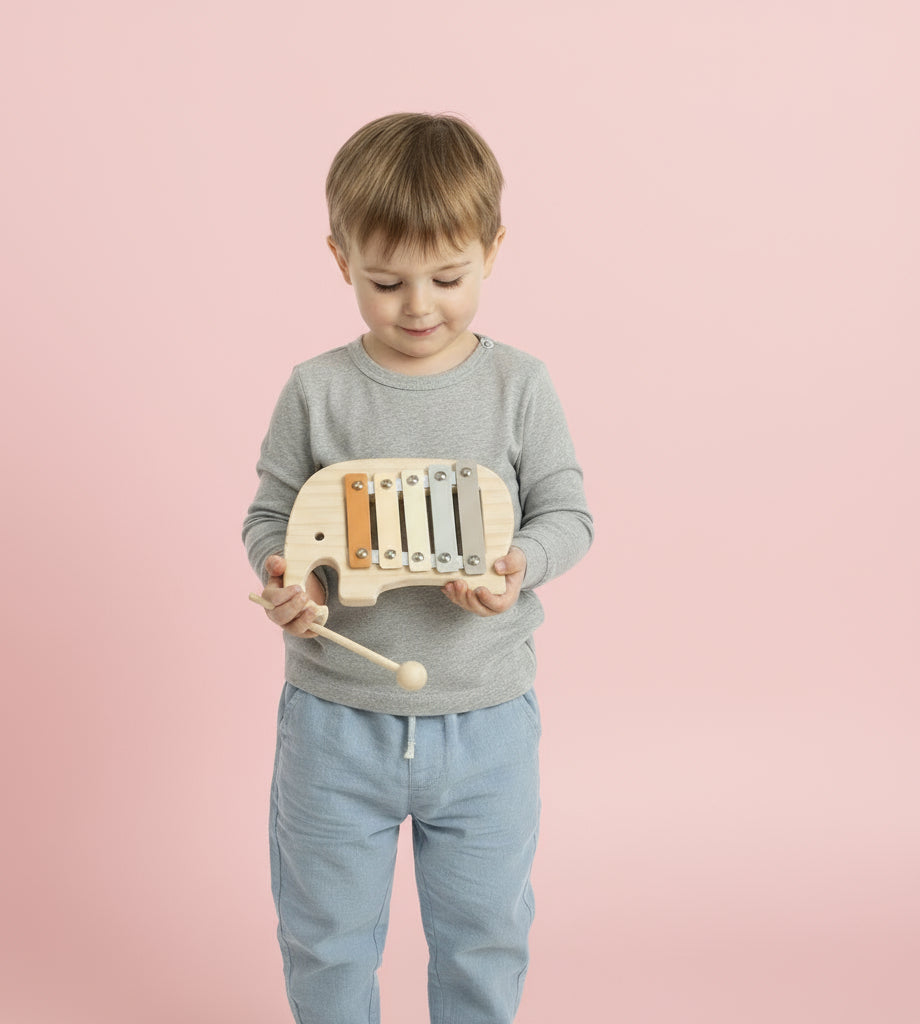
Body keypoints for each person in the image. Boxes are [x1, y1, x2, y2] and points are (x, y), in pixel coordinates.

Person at [242, 112, 594, 1024]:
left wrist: (522, 562)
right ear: (340, 259)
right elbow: (273, 517)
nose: (419, 306)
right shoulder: (316, 390)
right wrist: (285, 578)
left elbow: (570, 512)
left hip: (485, 726)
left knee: (483, 935)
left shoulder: (521, 387)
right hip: (334, 723)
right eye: (385, 280)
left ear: (493, 250)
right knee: (325, 938)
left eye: (449, 277)